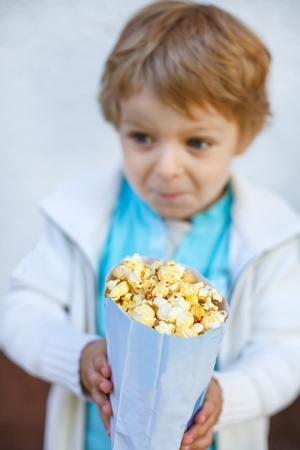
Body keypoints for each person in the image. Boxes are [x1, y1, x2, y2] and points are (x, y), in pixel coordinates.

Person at [1, 1, 300, 449]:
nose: (166, 168)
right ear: (116, 121)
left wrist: (226, 395)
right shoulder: (77, 216)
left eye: (197, 142)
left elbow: (286, 354)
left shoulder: (270, 237)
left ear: (245, 135)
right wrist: (79, 355)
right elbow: (21, 313)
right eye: (142, 137)